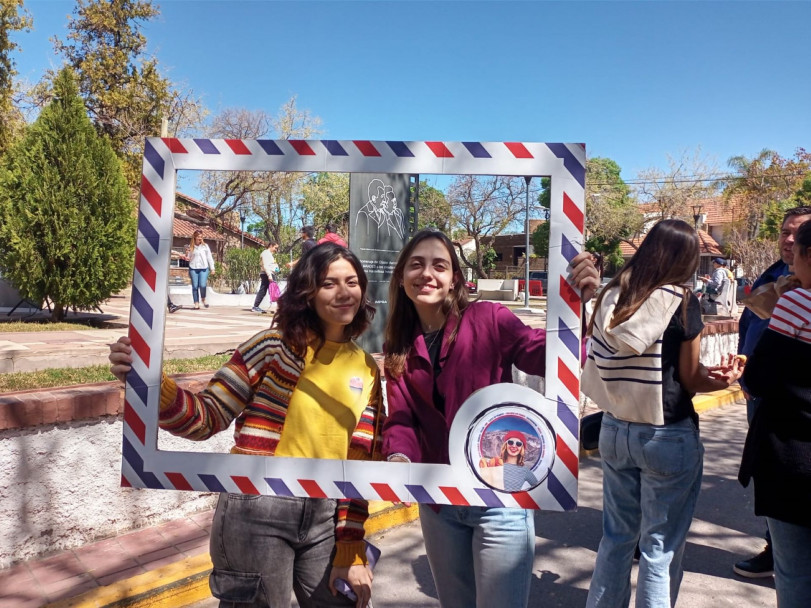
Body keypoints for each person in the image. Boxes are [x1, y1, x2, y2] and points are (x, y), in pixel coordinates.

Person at [109, 243, 384, 608]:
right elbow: (207, 417)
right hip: (258, 508)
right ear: (308, 293)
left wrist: (350, 547)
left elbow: (359, 463)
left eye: (352, 282)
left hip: (325, 514)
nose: (344, 292)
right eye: (329, 283)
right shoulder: (271, 348)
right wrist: (149, 382)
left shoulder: (366, 368)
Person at [382, 227, 600, 608]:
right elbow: (401, 419)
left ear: (454, 280)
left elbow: (544, 354)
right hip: (438, 503)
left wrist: (582, 307)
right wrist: (399, 461)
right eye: (416, 265)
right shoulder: (396, 345)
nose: (427, 274)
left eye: (439, 265)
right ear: (401, 278)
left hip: (499, 499)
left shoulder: (488, 318)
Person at [581, 219, 744, 608]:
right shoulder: (680, 302)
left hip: (615, 428)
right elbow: (689, 377)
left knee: (617, 539)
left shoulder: (611, 294)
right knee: (659, 547)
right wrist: (726, 381)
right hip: (666, 434)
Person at [733, 205, 811, 578]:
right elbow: (750, 319)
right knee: (772, 480)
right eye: (784, 232)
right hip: (762, 390)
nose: (788, 240)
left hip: (785, 397)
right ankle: (774, 544)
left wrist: (755, 377)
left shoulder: (798, 290)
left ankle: (781, 553)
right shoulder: (775, 274)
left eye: (797, 235)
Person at [187, 229, 216, 309]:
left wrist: (212, 268)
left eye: (201, 237)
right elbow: (188, 258)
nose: (200, 238)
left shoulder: (205, 246)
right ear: (195, 237)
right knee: (195, 286)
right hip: (193, 268)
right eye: (198, 237)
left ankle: (203, 299)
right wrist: (187, 254)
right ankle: (196, 303)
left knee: (202, 285)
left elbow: (209, 257)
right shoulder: (191, 247)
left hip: (204, 268)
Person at [252, 240, 281, 313]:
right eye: (275, 247)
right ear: (271, 246)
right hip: (267, 274)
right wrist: (269, 276)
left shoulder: (269, 254)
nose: (276, 250)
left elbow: (271, 265)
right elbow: (265, 265)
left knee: (270, 291)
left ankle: (256, 306)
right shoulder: (266, 254)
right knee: (272, 291)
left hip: (269, 274)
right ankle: (255, 307)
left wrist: (276, 269)